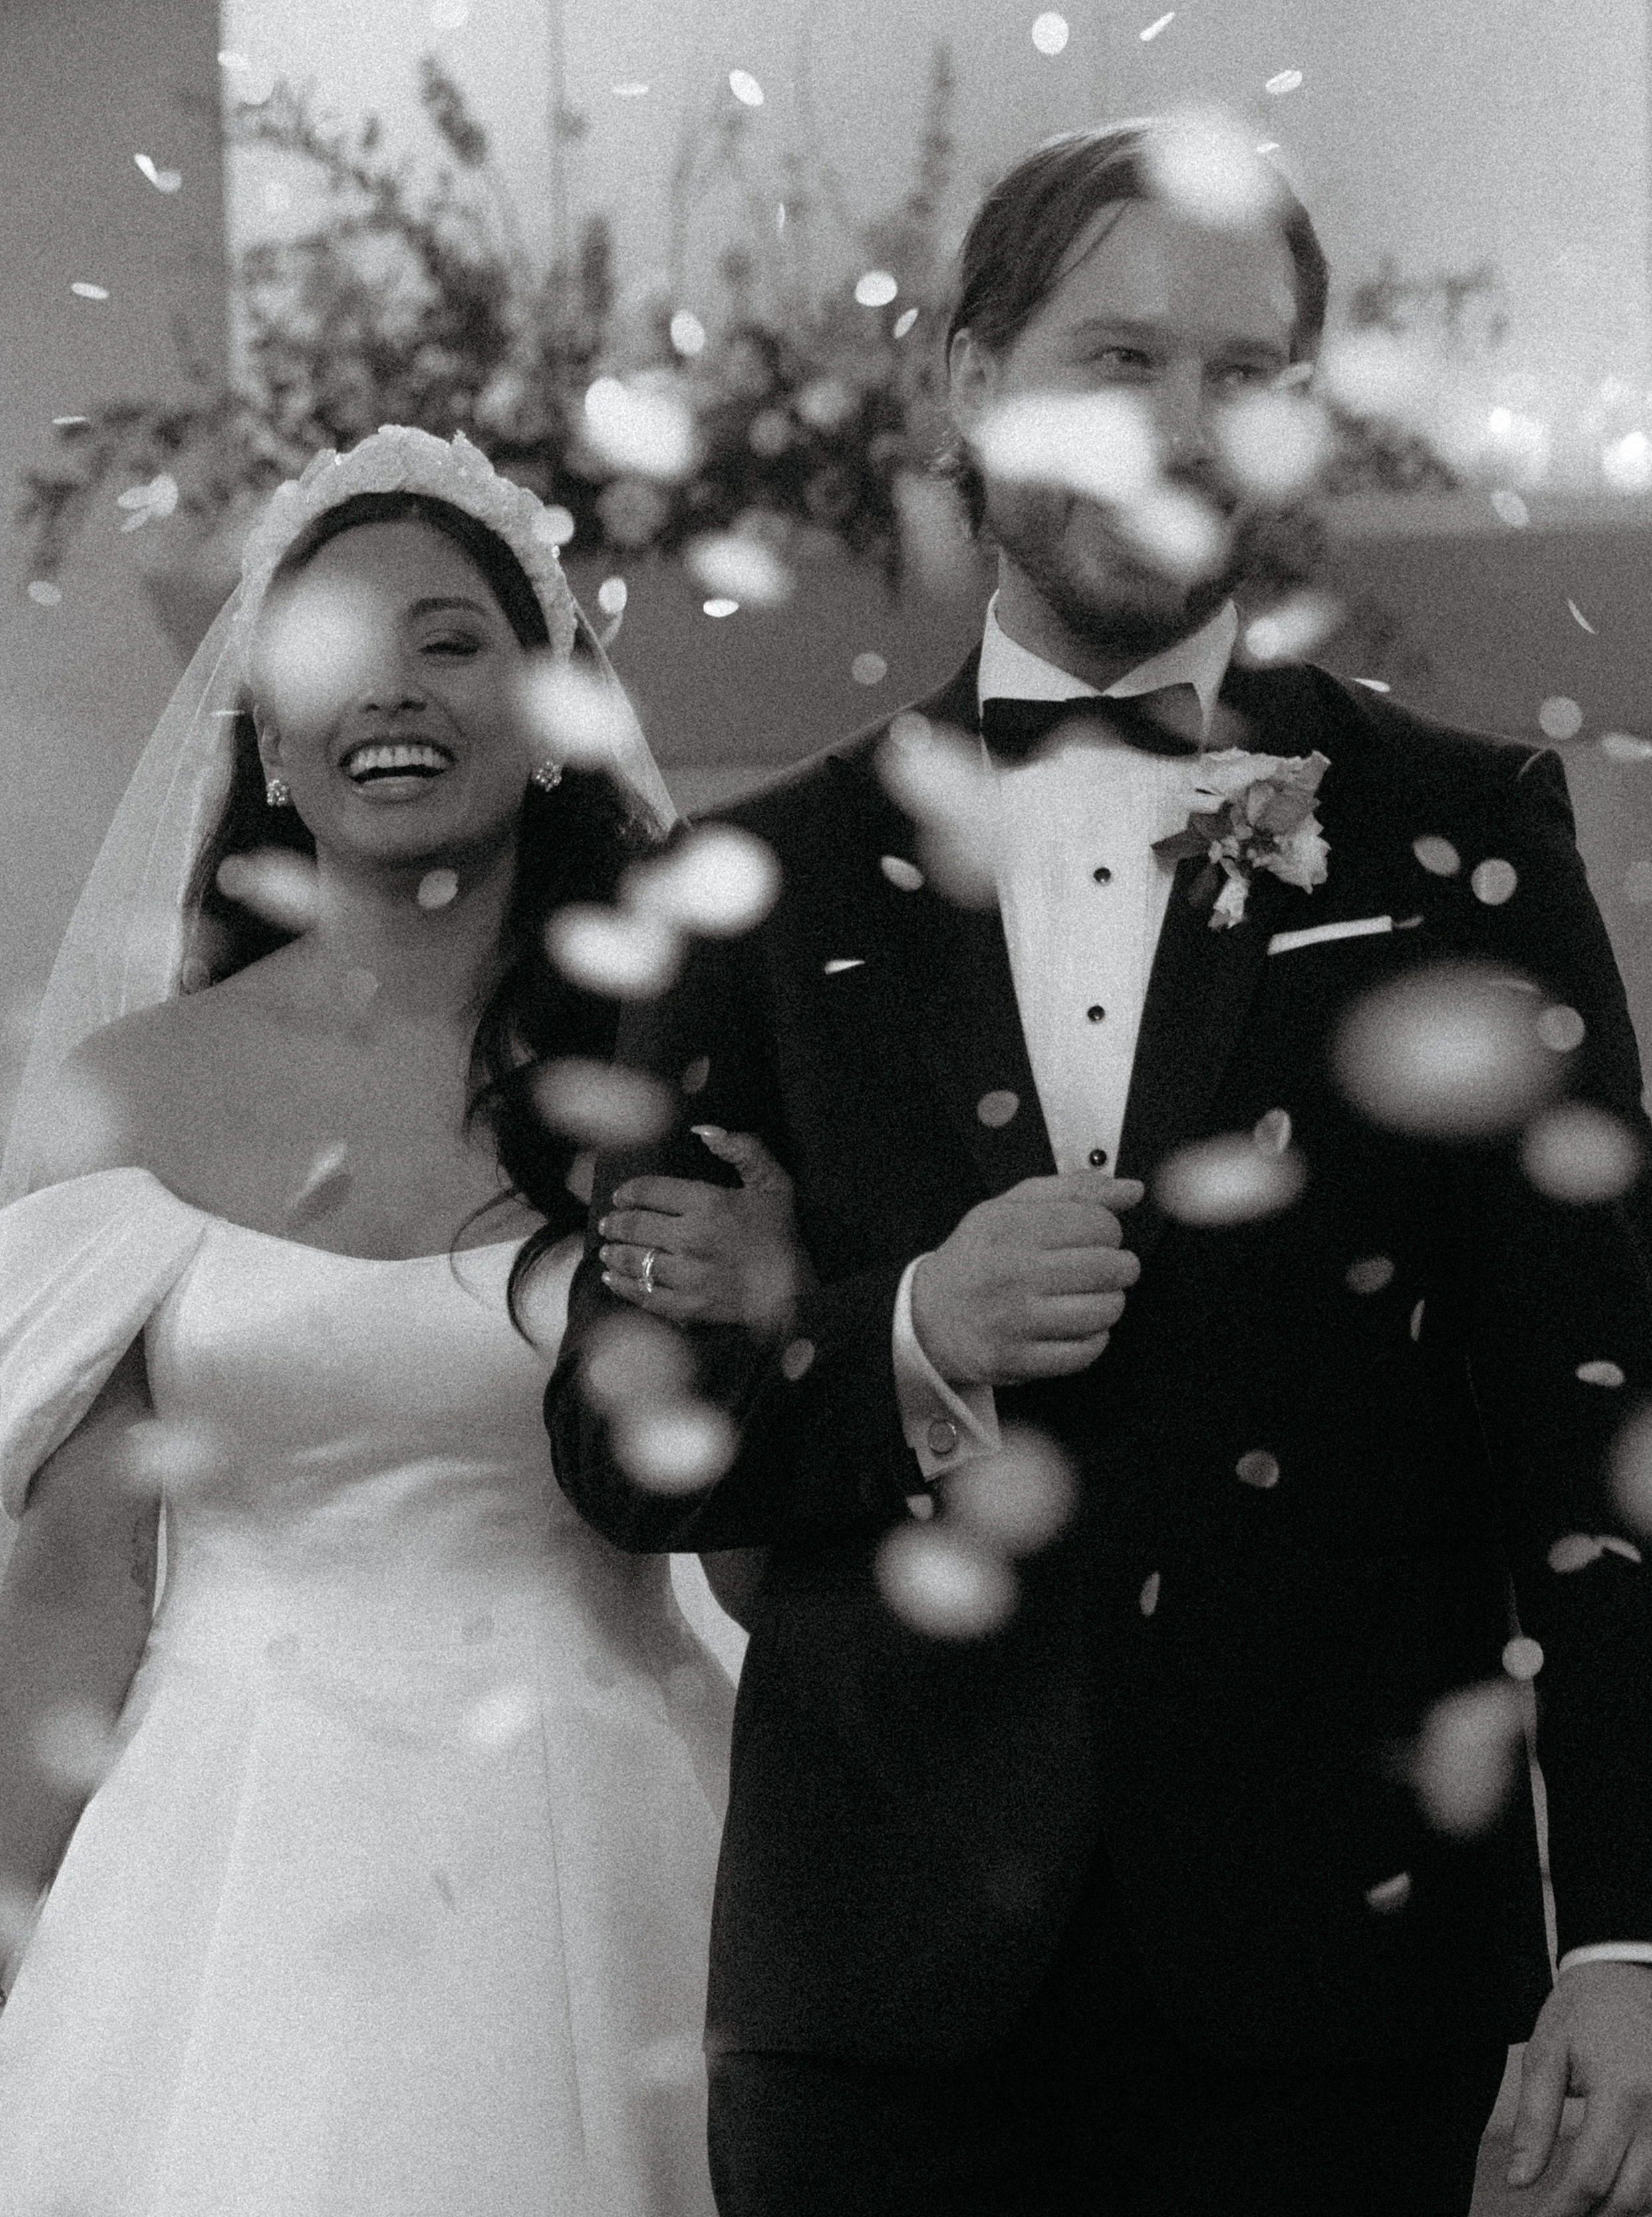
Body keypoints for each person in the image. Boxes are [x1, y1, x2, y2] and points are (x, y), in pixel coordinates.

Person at [548, 124, 1652, 2217]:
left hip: (1354, 1995)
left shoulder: (1466, 842)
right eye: (1116, 353)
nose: (1177, 424)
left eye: (1242, 370)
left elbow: (1598, 1422)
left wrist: (1627, 1929)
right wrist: (903, 1340)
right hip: (877, 2008)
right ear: (969, 383)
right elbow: (627, 1444)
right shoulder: (749, 889)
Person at [0, 424, 791, 2217]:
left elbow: (752, 1548)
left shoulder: (677, 1059)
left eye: (449, 639)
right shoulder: (136, 1090)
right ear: (267, 739)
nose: (392, 696)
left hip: (604, 1824)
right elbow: (81, 1571)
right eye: (334, 658)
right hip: (225, 1857)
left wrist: (763, 1312)